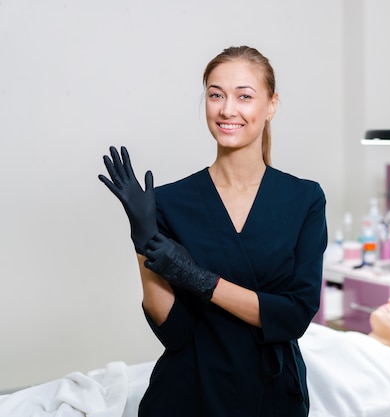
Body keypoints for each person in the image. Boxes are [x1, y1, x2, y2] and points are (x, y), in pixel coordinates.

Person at [98, 45, 328, 417]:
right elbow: (174, 333)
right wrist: (141, 238)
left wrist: (201, 280)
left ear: (271, 105)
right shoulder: (170, 202)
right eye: (215, 94)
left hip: (271, 393)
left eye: (244, 96)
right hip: (190, 390)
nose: (227, 109)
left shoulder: (304, 199)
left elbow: (294, 316)